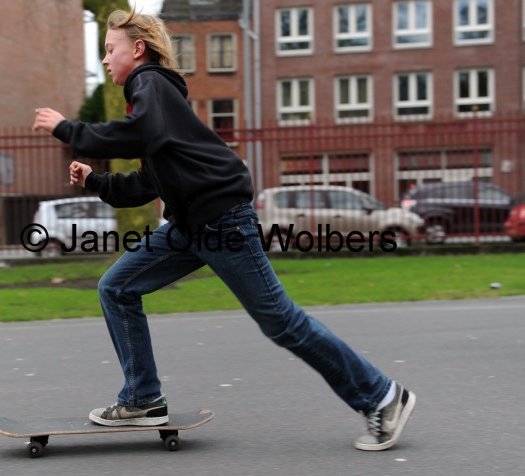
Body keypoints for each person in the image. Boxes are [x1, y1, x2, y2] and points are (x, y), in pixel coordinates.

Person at [32, 8, 415, 451]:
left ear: (137, 50)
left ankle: (382, 397)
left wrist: (68, 129)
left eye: (109, 50)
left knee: (282, 322)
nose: (104, 60)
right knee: (116, 288)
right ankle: (142, 399)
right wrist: (96, 181)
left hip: (221, 220)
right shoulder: (155, 102)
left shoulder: (149, 83)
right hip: (191, 226)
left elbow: (139, 134)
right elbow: (145, 184)